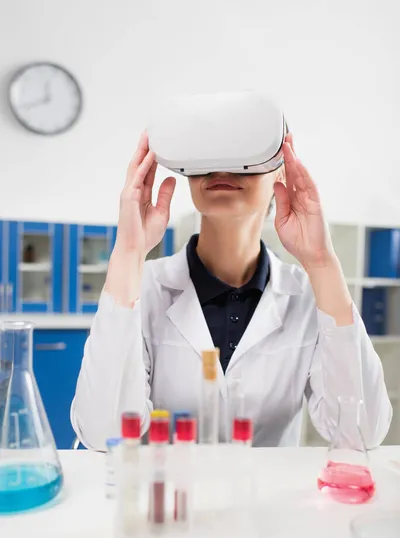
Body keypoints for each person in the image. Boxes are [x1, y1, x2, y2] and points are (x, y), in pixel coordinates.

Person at [71, 131, 392, 450]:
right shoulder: (142, 287)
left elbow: (361, 432)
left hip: (265, 499)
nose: (222, 169)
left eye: (246, 158)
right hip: (166, 498)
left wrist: (322, 264)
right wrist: (128, 253)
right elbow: (104, 433)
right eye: (206, 158)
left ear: (280, 171)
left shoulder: (310, 297)